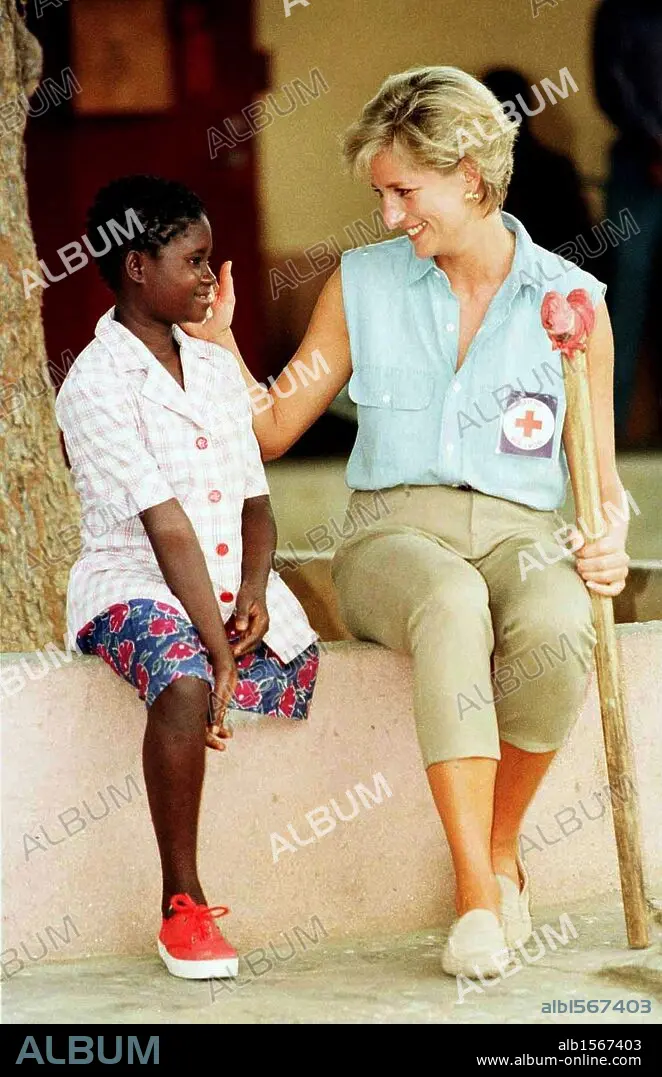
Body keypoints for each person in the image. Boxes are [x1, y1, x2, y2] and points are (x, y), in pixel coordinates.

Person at [189, 67, 630, 979]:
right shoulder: (362, 283)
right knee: (451, 600)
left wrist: (609, 537)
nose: (389, 216)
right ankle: (476, 897)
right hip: (392, 537)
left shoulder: (574, 303)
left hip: (522, 532)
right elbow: (274, 426)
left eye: (403, 192)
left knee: (559, 621)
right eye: (380, 196)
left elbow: (601, 480)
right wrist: (221, 343)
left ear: (469, 175)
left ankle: (500, 848)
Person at [55, 175, 319, 981]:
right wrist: (218, 646)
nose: (210, 276)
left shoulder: (210, 366)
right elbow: (166, 527)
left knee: (290, 658)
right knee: (182, 678)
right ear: (138, 266)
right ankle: (183, 904)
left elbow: (256, 504)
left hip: (220, 581)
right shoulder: (95, 384)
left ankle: (222, 654)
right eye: (194, 260)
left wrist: (254, 593)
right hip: (132, 581)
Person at [593, 0, 662, 439]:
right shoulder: (619, 11)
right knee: (626, 298)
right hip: (639, 167)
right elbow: (612, 86)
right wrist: (654, 143)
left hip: (645, 158)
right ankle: (609, 433)